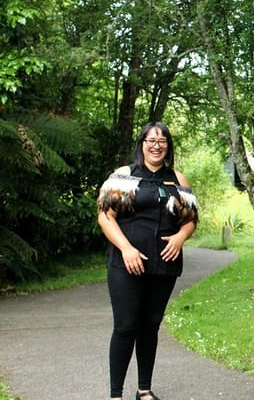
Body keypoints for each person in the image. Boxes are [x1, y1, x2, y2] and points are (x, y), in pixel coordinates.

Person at [97, 121, 198, 400]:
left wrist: (180, 237)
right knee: (126, 326)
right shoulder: (125, 175)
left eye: (162, 140)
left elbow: (190, 221)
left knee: (150, 326)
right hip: (127, 264)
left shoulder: (178, 179)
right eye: (151, 140)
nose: (157, 145)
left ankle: (144, 389)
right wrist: (126, 248)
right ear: (142, 144)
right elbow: (105, 216)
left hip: (163, 265)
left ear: (168, 146)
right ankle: (115, 394)